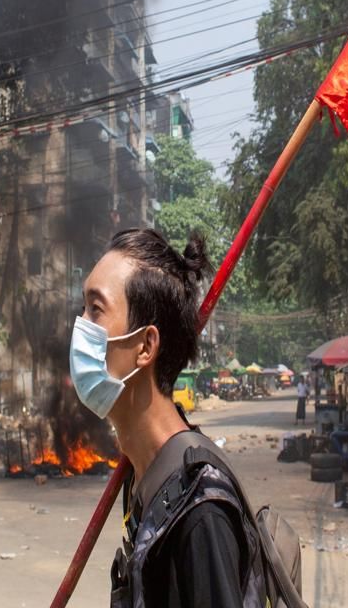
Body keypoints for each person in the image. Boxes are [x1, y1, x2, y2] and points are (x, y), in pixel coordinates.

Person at [72, 228, 263, 607]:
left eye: (96, 309)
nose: (80, 325)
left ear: (145, 346)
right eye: (83, 308)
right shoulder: (143, 477)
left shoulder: (200, 511)